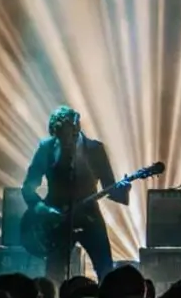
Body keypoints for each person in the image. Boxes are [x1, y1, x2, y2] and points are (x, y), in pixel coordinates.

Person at [22, 106, 130, 282]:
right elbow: (28, 187)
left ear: (76, 130)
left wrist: (124, 188)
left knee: (105, 270)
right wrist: (43, 210)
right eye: (59, 138)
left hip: (90, 218)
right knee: (54, 274)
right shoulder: (46, 148)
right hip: (57, 220)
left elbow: (109, 187)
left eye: (68, 137)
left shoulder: (95, 149)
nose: (65, 142)